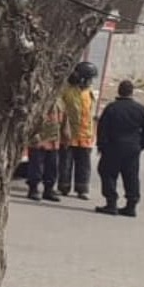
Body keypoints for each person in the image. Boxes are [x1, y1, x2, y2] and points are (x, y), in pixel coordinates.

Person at [96, 79, 144, 217]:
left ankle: (111, 203)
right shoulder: (141, 109)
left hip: (113, 147)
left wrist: (101, 145)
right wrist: (142, 145)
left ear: (119, 91)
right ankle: (131, 205)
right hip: (132, 148)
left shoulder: (112, 108)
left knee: (108, 173)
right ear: (132, 92)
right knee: (131, 176)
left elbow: (102, 129)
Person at [58, 61, 98, 200]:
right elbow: (62, 111)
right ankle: (64, 186)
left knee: (84, 164)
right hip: (69, 133)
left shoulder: (90, 92)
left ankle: (82, 189)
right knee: (66, 162)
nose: (91, 82)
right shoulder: (67, 91)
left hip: (85, 134)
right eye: (89, 78)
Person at [26, 93, 65, 203]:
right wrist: (35, 135)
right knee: (36, 166)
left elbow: (63, 120)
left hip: (54, 141)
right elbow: (31, 119)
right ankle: (33, 189)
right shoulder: (40, 99)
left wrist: (66, 135)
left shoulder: (59, 101)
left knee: (52, 167)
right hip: (39, 139)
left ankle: (49, 190)